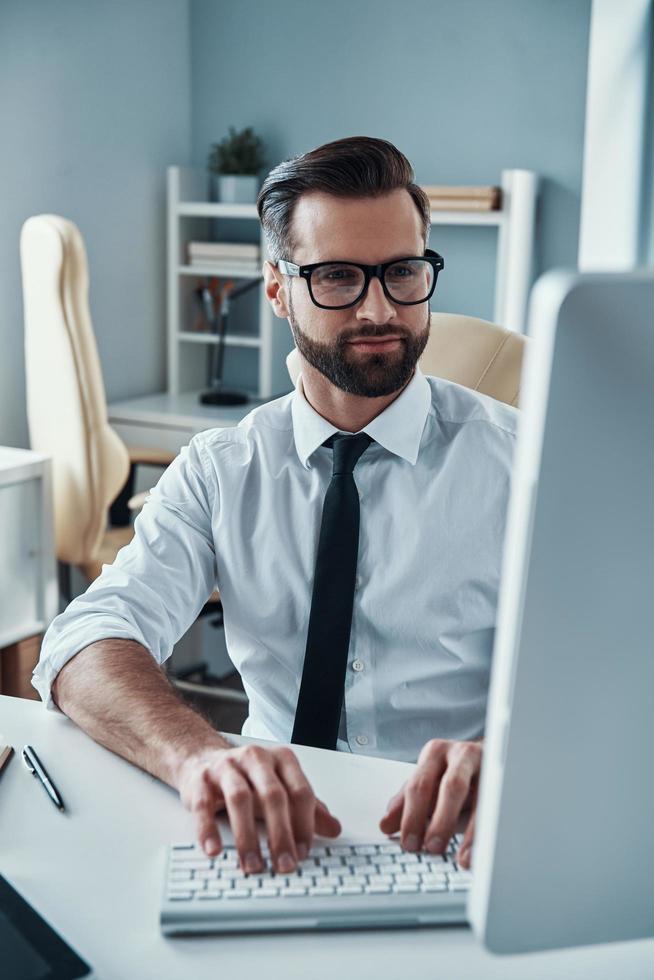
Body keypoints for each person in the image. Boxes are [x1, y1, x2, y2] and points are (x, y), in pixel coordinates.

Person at [34, 136, 517, 879]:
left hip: (459, 834)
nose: (379, 307)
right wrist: (198, 760)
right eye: (338, 278)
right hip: (262, 828)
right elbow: (84, 639)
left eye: (403, 272)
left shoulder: (524, 463)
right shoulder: (222, 468)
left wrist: (523, 756)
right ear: (276, 289)